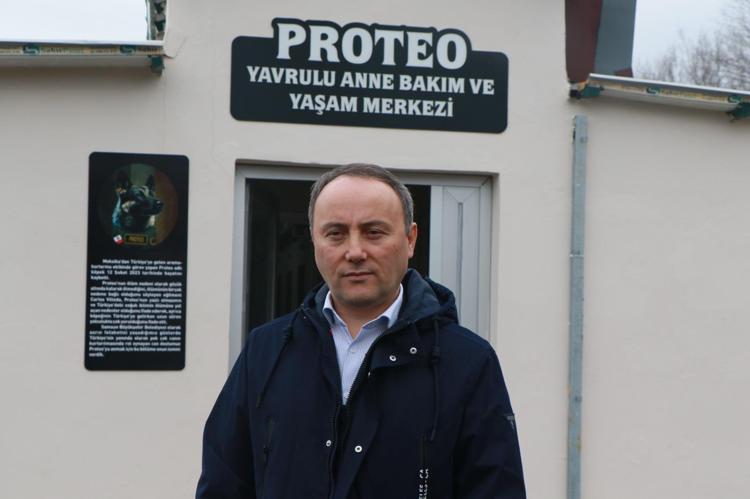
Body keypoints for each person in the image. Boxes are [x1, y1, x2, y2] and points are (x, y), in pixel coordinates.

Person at [197, 164, 525, 498]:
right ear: (314, 240)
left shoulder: (468, 363)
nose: (354, 252)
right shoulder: (265, 351)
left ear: (410, 239)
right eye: (335, 233)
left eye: (374, 232)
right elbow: (223, 484)